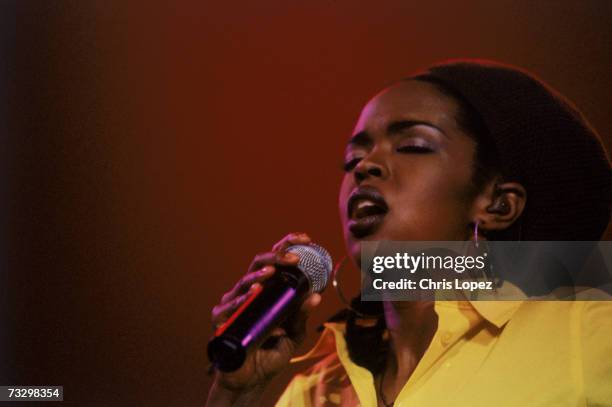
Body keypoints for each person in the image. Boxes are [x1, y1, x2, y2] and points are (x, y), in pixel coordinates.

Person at [205, 60, 612, 406]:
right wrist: (235, 392)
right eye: (353, 158)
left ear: (497, 205)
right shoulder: (314, 390)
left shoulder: (586, 335)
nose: (365, 166)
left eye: (413, 145)